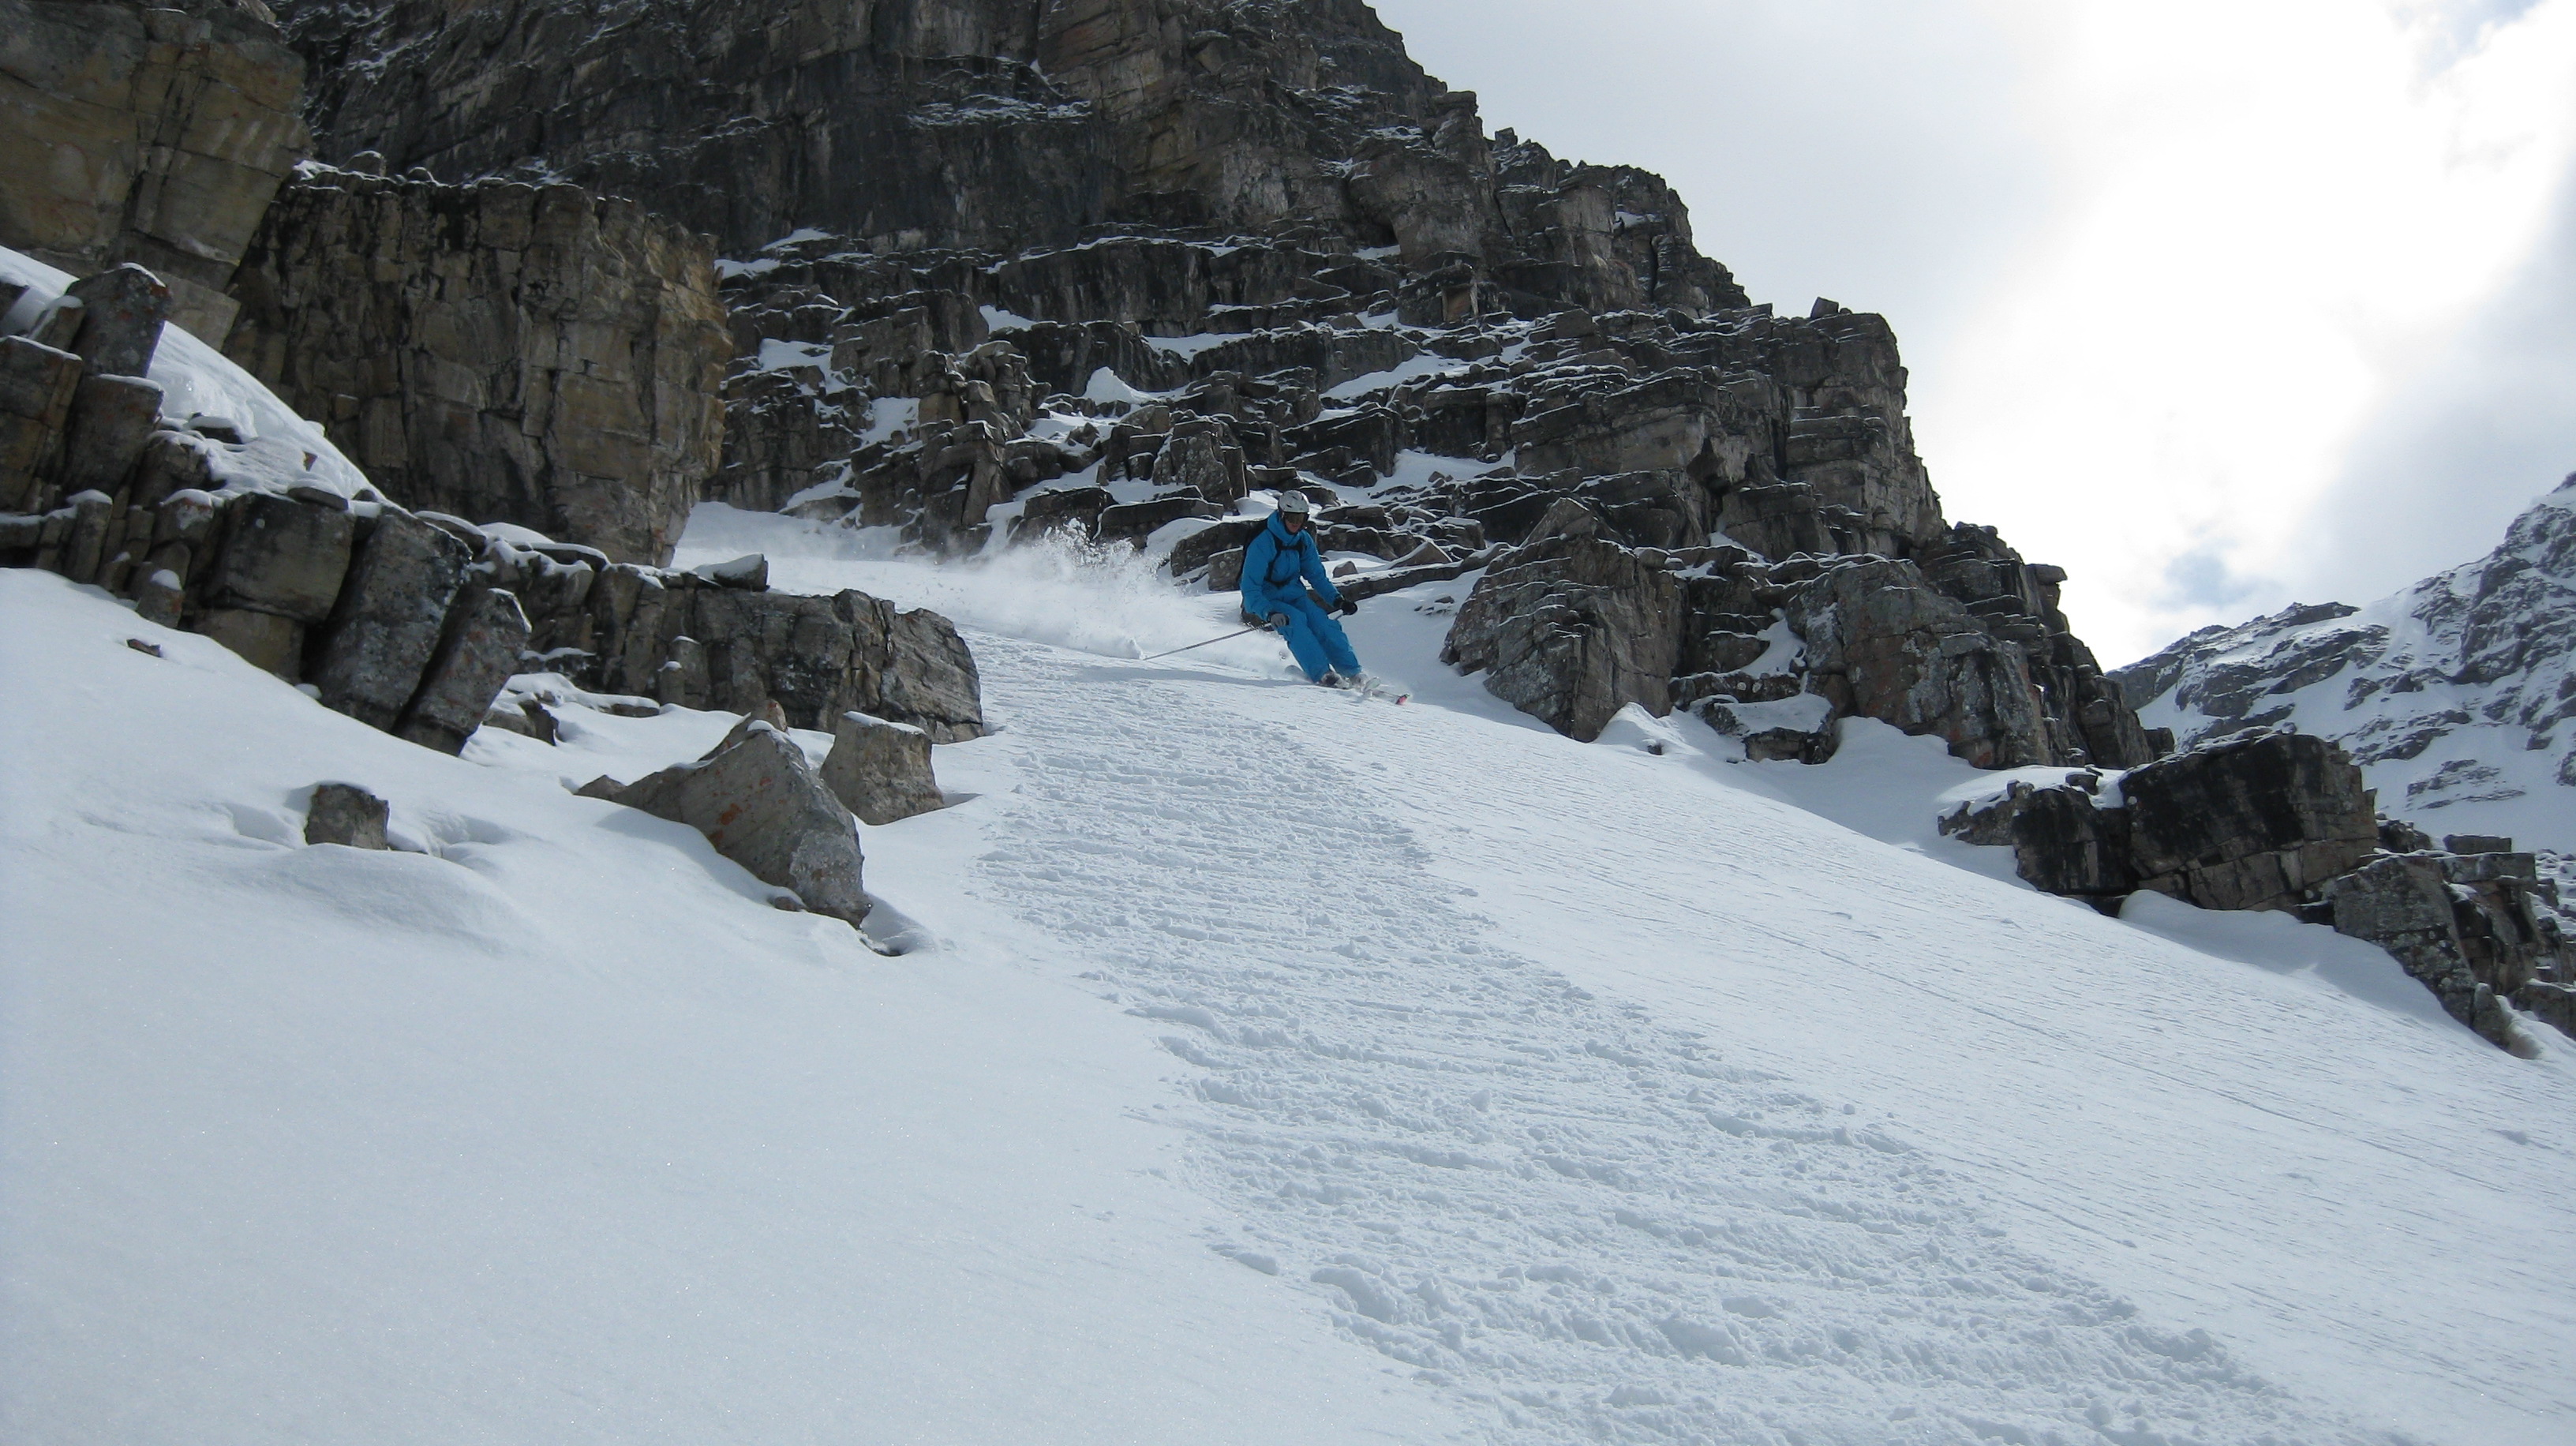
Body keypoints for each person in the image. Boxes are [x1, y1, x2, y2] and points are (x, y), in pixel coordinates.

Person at [1240, 491, 1365, 686]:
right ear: (1282, 515)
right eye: (1291, 517)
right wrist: (1269, 612)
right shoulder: (1263, 541)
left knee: (1324, 624)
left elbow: (1316, 576)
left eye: (1301, 518)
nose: (1296, 522)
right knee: (1296, 623)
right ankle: (1323, 674)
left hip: (1294, 595)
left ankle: (1352, 672)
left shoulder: (1303, 540)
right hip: (1269, 599)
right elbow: (1249, 587)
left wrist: (1337, 600)